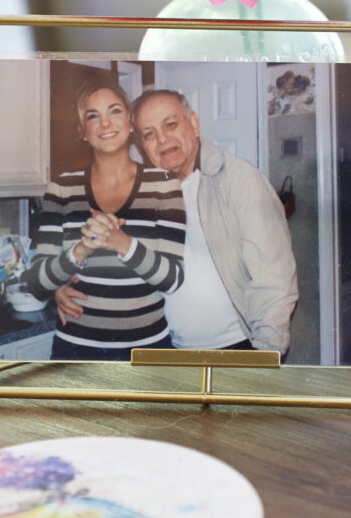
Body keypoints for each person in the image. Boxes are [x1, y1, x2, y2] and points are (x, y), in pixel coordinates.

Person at [56, 88, 298, 355]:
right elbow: (121, 263)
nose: (162, 139)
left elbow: (275, 279)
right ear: (141, 144)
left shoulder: (238, 179)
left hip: (236, 347)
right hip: (166, 347)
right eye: (149, 134)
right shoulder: (144, 193)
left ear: (193, 123)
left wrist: (264, 357)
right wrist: (61, 286)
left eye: (170, 124)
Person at [25, 76, 186, 360]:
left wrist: (121, 243)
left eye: (115, 111)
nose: (106, 124)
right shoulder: (61, 188)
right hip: (75, 349)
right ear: (82, 130)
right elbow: (37, 283)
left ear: (131, 122)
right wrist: (80, 251)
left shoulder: (163, 184)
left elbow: (172, 279)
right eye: (93, 116)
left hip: (147, 350)